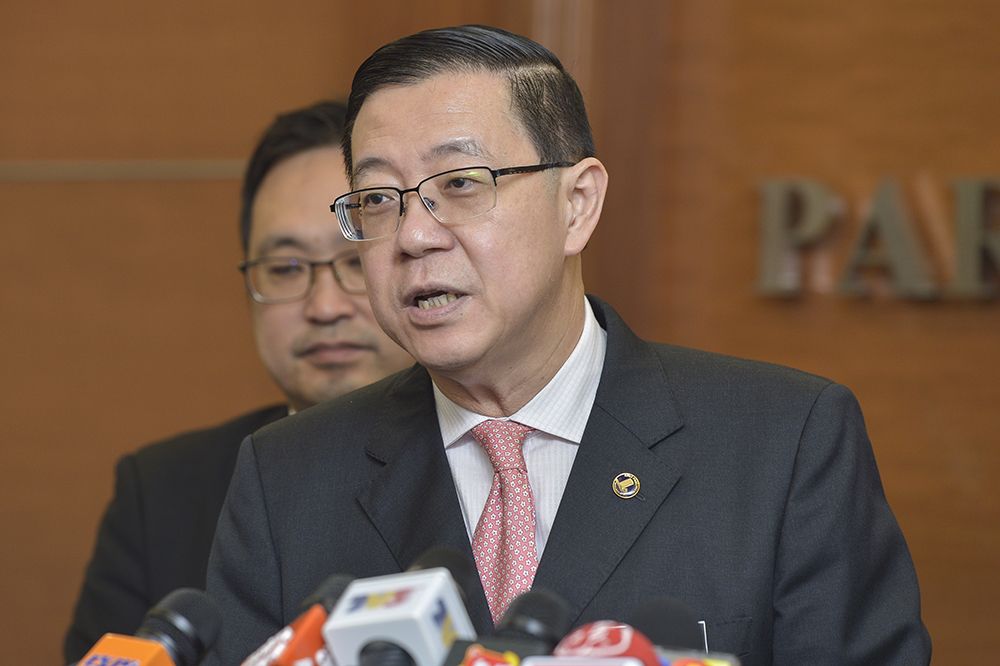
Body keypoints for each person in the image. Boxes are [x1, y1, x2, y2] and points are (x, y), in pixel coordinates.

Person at [205, 26, 931, 666]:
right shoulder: (287, 480)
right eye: (378, 199)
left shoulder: (784, 443)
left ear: (577, 204)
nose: (414, 235)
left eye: (460, 183)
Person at [63, 101, 413, 663]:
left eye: (353, 261)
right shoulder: (161, 496)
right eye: (285, 269)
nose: (324, 306)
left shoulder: (487, 466)